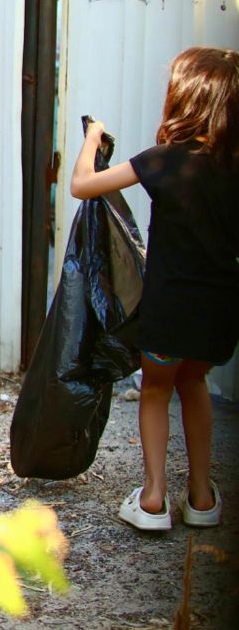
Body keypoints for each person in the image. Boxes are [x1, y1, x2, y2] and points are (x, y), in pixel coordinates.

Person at [70, 46, 238, 532]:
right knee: (195, 383)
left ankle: (153, 499)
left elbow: (84, 185)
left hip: (169, 312)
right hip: (221, 312)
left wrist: (93, 138)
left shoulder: (162, 162)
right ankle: (202, 498)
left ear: (183, 98)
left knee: (156, 391)